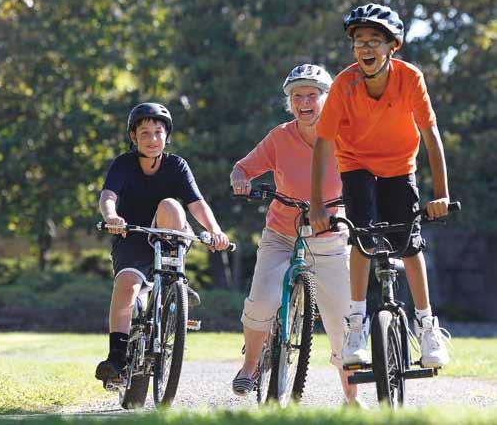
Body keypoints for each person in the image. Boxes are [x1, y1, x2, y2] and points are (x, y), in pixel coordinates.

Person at [309, 3, 451, 369]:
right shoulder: (344, 83)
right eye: (359, 42)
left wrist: (441, 194)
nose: (366, 48)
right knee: (362, 237)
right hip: (355, 164)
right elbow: (324, 143)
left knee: (409, 242)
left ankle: (426, 325)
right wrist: (317, 205)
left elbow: (430, 133)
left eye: (375, 40)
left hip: (400, 167)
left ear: (393, 46)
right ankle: (357, 325)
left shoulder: (410, 78)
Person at [230, 64, 364, 406]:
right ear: (289, 102)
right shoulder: (279, 137)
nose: (304, 102)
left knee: (343, 319)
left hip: (330, 235)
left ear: (326, 99)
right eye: (296, 96)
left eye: (312, 95)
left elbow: (367, 173)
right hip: (282, 235)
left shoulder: (346, 135)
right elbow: (242, 167)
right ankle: (249, 366)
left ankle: (352, 397)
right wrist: (241, 180)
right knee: (262, 298)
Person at [95, 102, 230, 387]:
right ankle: (117, 358)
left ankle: (174, 283)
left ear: (167, 135)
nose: (153, 139)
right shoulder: (123, 164)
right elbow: (108, 195)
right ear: (134, 137)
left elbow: (197, 203)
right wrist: (112, 216)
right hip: (131, 237)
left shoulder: (177, 165)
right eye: (145, 133)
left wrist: (215, 231)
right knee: (127, 286)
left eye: (158, 132)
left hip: (170, 237)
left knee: (170, 204)